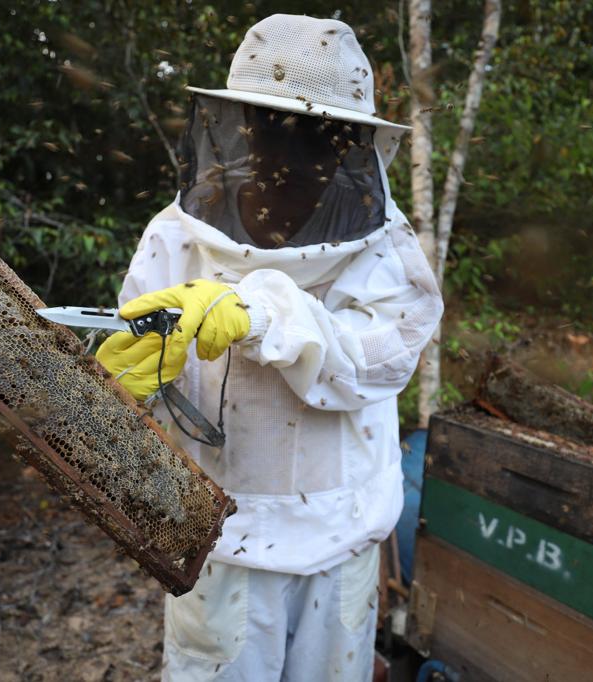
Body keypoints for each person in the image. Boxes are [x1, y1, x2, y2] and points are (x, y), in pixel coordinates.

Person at [96, 13, 444, 681]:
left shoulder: (385, 244)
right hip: (217, 545)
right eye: (271, 128)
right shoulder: (178, 234)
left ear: (348, 142)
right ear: (237, 126)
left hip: (341, 541)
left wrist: (265, 315)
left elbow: (384, 360)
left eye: (314, 134)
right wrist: (140, 383)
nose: (290, 152)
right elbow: (135, 367)